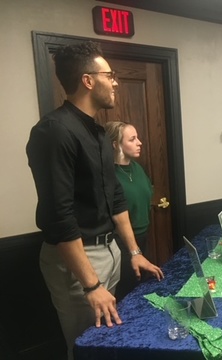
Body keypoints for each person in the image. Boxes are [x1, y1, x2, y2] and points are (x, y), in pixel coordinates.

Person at [26, 41, 164, 360]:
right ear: (88, 80)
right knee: (86, 345)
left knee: (107, 339)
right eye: (109, 75)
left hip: (109, 251)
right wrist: (90, 285)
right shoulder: (54, 131)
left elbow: (115, 199)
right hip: (79, 259)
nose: (115, 82)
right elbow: (58, 216)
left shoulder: (99, 133)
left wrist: (134, 252)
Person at [105, 121, 154, 300]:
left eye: (137, 138)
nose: (139, 142)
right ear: (116, 145)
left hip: (143, 237)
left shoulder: (137, 168)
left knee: (142, 289)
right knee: (126, 294)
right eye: (132, 139)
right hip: (120, 242)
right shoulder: (109, 174)